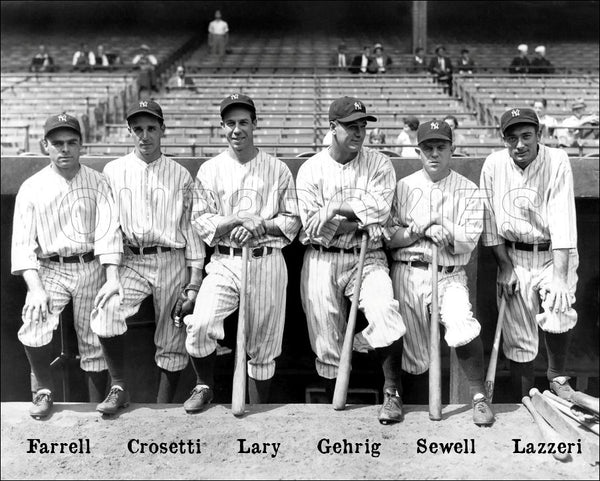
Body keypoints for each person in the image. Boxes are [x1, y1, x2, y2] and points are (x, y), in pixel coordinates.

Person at [182, 94, 301, 413]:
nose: (237, 129)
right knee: (201, 324)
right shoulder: (210, 169)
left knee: (264, 346)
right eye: (231, 123)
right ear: (222, 127)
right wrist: (232, 220)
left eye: (243, 122)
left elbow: (293, 220)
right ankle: (204, 385)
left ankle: (259, 412)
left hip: (266, 259)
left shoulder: (277, 169)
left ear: (255, 124)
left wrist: (262, 224)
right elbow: (200, 218)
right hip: (224, 260)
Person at [295, 97, 406, 424]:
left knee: (384, 309)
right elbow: (313, 227)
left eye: (362, 126)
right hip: (323, 257)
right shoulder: (311, 169)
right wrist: (359, 219)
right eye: (350, 126)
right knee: (325, 334)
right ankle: (333, 409)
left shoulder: (379, 163)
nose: (359, 132)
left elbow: (382, 211)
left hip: (368, 256)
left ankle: (392, 393)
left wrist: (334, 208)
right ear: (332, 127)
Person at [92, 100, 206, 414]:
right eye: (138, 129)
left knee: (172, 336)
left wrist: (194, 281)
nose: (145, 135)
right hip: (132, 260)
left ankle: (163, 409)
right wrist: (112, 277)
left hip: (171, 258)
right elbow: (108, 226)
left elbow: (191, 229)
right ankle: (119, 387)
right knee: (106, 311)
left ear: (162, 130)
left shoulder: (180, 174)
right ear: (130, 132)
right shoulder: (113, 171)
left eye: (151, 128)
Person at [11, 113, 122, 418]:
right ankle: (43, 392)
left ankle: (98, 407)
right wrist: (35, 289)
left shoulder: (98, 182)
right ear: (44, 145)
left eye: (71, 142)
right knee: (34, 321)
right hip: (50, 268)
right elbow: (22, 245)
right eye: (57, 143)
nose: (65, 149)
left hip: (90, 265)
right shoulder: (32, 187)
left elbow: (108, 234)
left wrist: (111, 278)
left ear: (81, 145)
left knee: (94, 338)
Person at [386, 120, 494, 426]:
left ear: (452, 150)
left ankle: (478, 396)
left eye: (441, 147)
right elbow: (389, 239)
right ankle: (395, 397)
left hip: (449, 274)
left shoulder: (468, 190)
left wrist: (443, 228)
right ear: (418, 151)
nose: (434, 153)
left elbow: (469, 241)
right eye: (428, 148)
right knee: (411, 350)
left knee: (461, 320)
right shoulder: (403, 187)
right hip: (408, 270)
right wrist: (416, 231)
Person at [480, 107, 580, 402]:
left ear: (540, 135)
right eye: (512, 138)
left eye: (526, 136)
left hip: (553, 253)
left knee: (559, 305)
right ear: (504, 140)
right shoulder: (494, 164)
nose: (520, 144)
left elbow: (562, 220)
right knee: (518, 332)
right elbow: (490, 224)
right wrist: (505, 266)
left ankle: (557, 379)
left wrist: (560, 278)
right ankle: (525, 399)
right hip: (514, 255)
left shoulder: (557, 160)